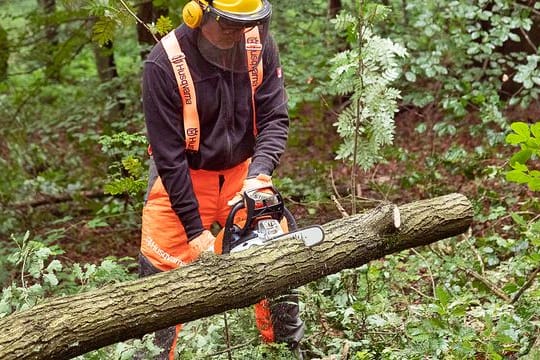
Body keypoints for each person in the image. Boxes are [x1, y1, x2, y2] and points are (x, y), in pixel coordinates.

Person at [138, 0, 304, 358]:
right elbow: (168, 157)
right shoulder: (163, 63)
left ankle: (286, 350)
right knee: (158, 302)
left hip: (241, 175)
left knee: (279, 268)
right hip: (181, 181)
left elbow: (276, 118)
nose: (238, 33)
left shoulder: (258, 45)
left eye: (245, 24)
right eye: (229, 24)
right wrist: (196, 232)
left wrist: (259, 174)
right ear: (198, 15)